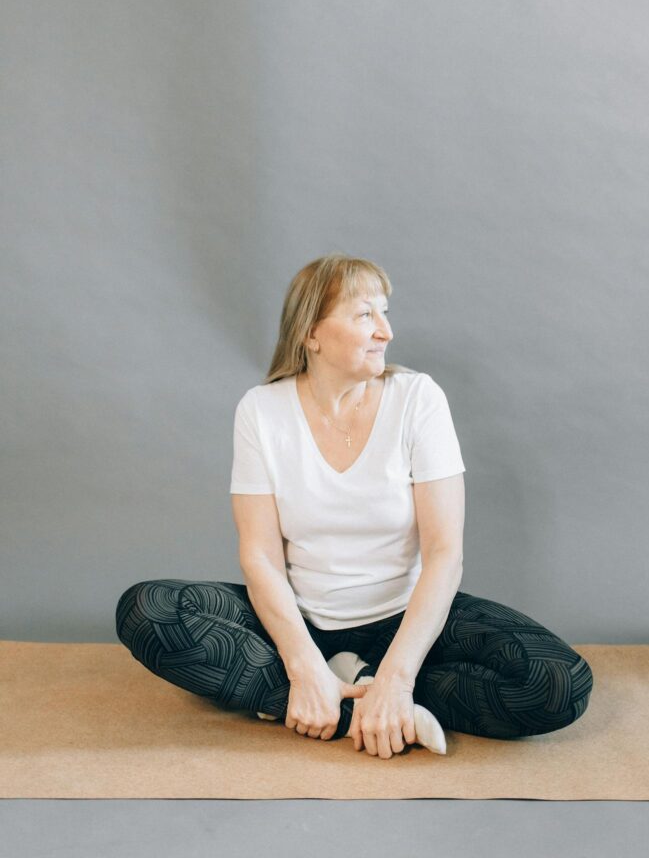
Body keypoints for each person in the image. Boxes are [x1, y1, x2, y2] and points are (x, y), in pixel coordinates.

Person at [116, 252, 593, 760]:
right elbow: (259, 557)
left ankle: (365, 694)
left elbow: (444, 553)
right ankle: (341, 701)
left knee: (560, 683)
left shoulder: (417, 399)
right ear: (311, 333)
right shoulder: (262, 411)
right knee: (147, 611)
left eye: (385, 314)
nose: (385, 331)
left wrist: (398, 678)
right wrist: (301, 665)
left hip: (407, 621)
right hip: (301, 625)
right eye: (365, 315)